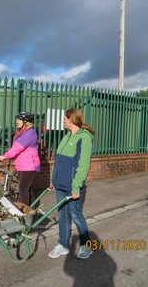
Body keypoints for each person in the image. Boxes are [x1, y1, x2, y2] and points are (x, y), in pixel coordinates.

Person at [48, 108, 96, 259]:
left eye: (64, 118)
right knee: (62, 214)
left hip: (72, 185)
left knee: (76, 215)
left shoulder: (85, 137)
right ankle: (63, 245)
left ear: (70, 119)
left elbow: (83, 165)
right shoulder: (67, 136)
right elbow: (58, 160)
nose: (63, 121)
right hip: (60, 184)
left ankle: (86, 247)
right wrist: (53, 180)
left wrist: (76, 187)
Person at [0, 111, 41, 206]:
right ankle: (31, 211)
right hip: (23, 165)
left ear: (26, 122)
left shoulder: (29, 133)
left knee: (23, 189)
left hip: (29, 166)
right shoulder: (22, 133)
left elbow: (18, 147)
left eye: (18, 120)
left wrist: (6, 155)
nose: (17, 122)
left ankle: (25, 213)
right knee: (27, 189)